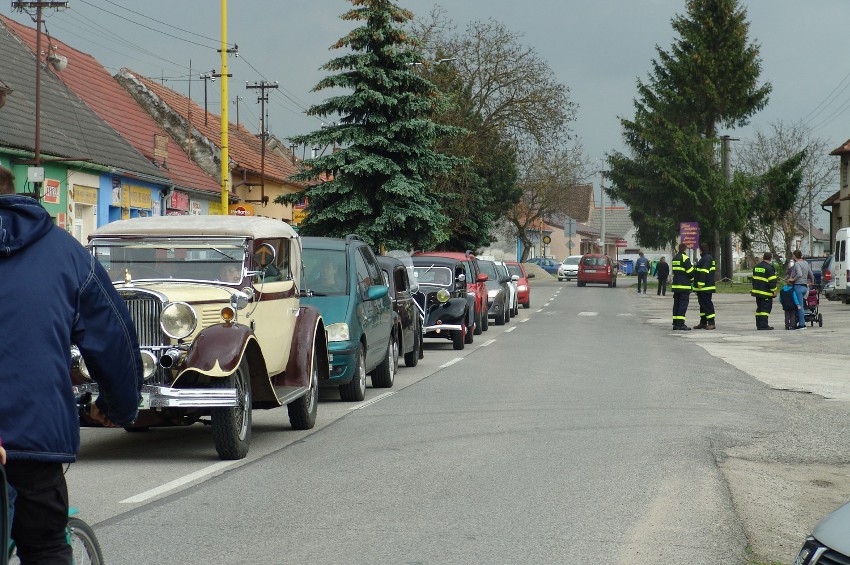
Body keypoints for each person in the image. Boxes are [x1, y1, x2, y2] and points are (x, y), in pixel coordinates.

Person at [0, 165, 143, 563]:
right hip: (32, 439)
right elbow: (113, 340)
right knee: (44, 545)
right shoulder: (65, 253)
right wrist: (119, 408)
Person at [692, 242, 717, 330]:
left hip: (705, 287)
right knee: (702, 305)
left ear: (701, 249)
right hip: (703, 288)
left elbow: (704, 272)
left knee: (707, 304)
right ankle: (703, 322)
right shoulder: (705, 258)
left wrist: (700, 284)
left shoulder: (706, 259)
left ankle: (711, 322)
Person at [751, 252, 778, 330]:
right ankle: (764, 325)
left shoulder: (756, 267)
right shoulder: (769, 268)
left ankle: (759, 324)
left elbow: (753, 279)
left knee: (759, 308)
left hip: (757, 292)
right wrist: (774, 291)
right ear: (770, 258)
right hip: (765, 293)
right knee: (765, 309)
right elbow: (772, 281)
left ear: (763, 257)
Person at [671, 243, 695, 330]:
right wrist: (692, 280)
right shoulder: (685, 258)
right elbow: (690, 272)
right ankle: (681, 324)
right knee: (683, 305)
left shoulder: (675, 258)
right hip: (684, 285)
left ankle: (675, 323)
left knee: (676, 304)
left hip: (676, 285)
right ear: (685, 249)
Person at [788, 250, 814, 330]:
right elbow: (811, 274)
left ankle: (802, 324)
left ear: (795, 256)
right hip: (805, 287)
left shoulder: (797, 264)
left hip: (798, 286)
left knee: (799, 306)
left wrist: (792, 279)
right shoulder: (805, 263)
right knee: (802, 304)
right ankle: (800, 321)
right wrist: (812, 282)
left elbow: (799, 274)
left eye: (793, 255)